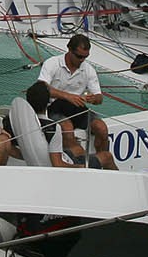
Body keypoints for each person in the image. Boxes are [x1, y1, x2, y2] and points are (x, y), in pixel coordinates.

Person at [39, 34, 114, 167]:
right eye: (79, 56)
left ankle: (103, 161)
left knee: (101, 128)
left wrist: (94, 98)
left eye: (85, 57)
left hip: (76, 107)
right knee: (67, 128)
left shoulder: (88, 69)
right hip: (53, 106)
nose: (82, 60)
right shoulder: (52, 63)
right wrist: (67, 96)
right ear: (69, 49)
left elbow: (99, 98)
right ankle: (79, 164)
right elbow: (41, 88)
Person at [4, 81, 76, 167]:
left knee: (73, 151)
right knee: (83, 154)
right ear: (48, 102)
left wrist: (27, 154)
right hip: (60, 163)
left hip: (31, 161)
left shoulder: (11, 121)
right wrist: (81, 167)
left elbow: (9, 147)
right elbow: (57, 164)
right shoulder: (53, 128)